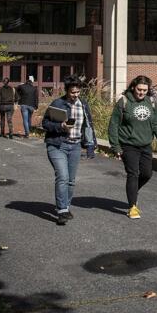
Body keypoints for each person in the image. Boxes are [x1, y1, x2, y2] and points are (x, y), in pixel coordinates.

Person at [108, 75, 157, 220]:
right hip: (128, 145)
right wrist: (116, 146)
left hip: (145, 144)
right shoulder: (124, 101)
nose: (141, 93)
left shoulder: (151, 102)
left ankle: (133, 191)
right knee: (133, 173)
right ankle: (132, 207)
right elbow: (114, 125)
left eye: (145, 90)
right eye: (139, 89)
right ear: (133, 87)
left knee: (147, 174)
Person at [42, 77, 96, 225]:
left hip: (75, 146)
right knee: (63, 177)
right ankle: (61, 211)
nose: (76, 95)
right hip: (57, 145)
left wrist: (90, 145)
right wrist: (61, 126)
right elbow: (45, 123)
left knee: (71, 181)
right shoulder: (57, 103)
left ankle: (65, 206)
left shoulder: (83, 104)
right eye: (73, 92)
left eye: (78, 92)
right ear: (66, 91)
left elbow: (88, 125)